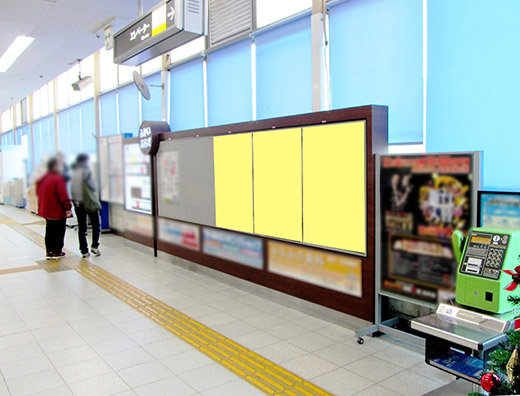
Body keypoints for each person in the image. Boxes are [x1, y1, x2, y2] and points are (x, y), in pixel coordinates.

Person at [36, 157, 72, 260]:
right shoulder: (58, 178)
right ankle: (57, 251)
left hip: (46, 210)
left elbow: (38, 193)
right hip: (57, 210)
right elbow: (63, 195)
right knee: (59, 231)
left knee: (49, 230)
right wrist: (67, 207)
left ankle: (49, 251)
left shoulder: (43, 178)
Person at [70, 153, 101, 258]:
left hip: (78, 203)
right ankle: (95, 246)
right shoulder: (86, 172)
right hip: (89, 202)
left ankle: (84, 251)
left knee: (82, 227)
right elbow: (93, 187)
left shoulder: (73, 173)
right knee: (96, 224)